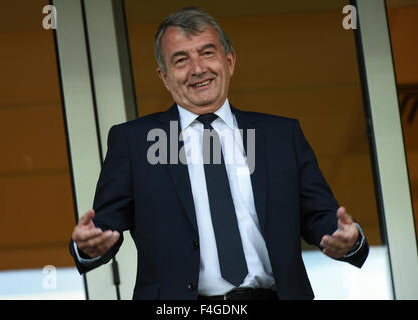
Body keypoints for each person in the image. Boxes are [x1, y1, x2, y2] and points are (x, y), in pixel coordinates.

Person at [70, 6, 369, 300]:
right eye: (181, 59)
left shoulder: (280, 136)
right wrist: (89, 247)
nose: (197, 69)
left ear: (230, 61)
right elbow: (103, 229)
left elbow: (321, 216)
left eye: (207, 53)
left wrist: (347, 239)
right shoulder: (135, 142)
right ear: (164, 76)